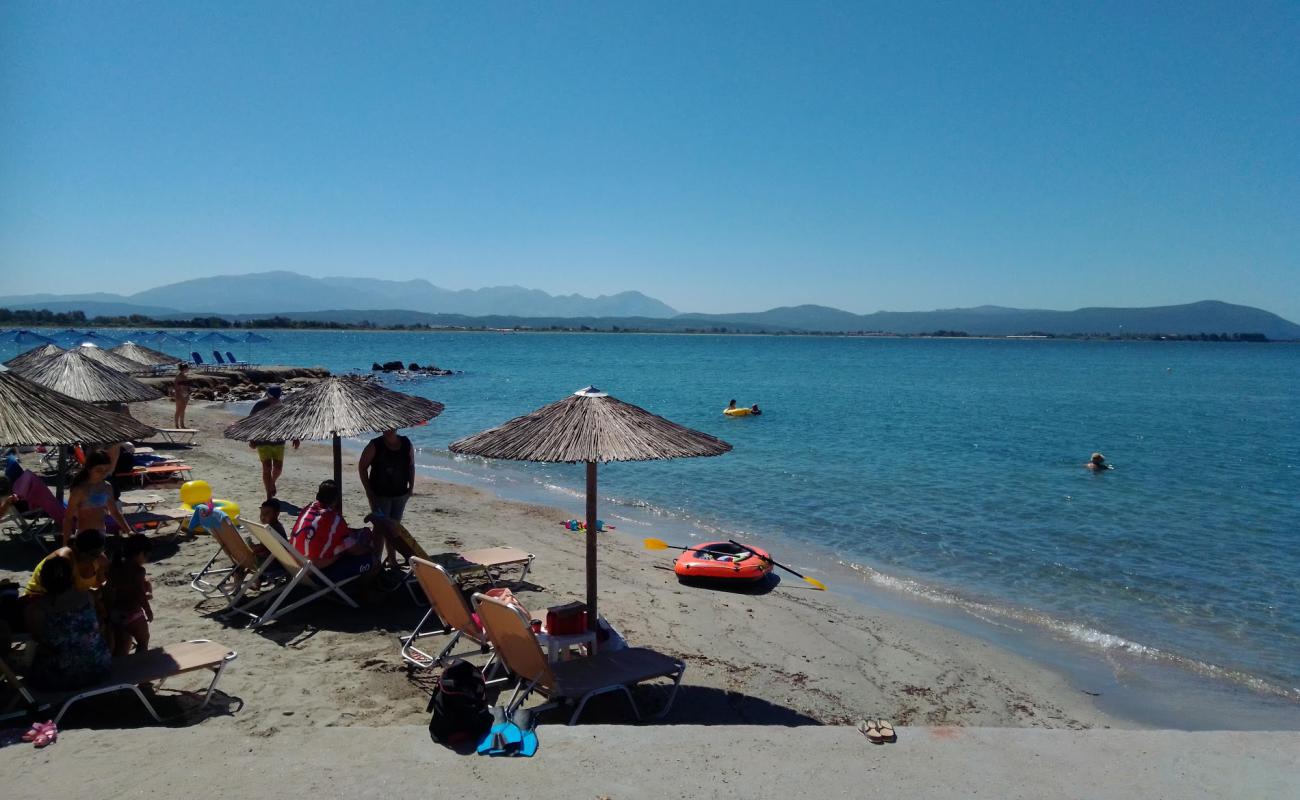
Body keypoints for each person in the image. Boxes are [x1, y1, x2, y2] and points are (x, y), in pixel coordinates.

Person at [23, 555, 111, 691]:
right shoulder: (87, 597)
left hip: (62, 676)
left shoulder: (37, 609)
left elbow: (39, 640)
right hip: (98, 667)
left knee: (31, 661)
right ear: (71, 577)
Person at [290, 480, 399, 579]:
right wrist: (369, 550)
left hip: (293, 563)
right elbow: (355, 550)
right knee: (372, 561)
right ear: (335, 500)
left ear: (318, 495)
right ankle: (365, 595)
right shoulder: (334, 519)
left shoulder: (307, 510)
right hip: (314, 572)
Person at [63, 450, 132, 545]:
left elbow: (115, 512)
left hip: (101, 534)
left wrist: (129, 531)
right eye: (99, 470)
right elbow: (68, 519)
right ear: (89, 469)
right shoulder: (80, 490)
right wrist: (65, 544)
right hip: (84, 536)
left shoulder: (107, 487)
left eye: (106, 470)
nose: (103, 473)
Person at [105, 534, 153, 656]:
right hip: (133, 613)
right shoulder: (138, 571)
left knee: (121, 648)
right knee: (143, 642)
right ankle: (138, 669)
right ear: (141, 553)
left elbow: (110, 589)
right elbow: (139, 593)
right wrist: (148, 610)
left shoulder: (114, 567)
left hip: (116, 613)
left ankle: (122, 671)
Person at [248, 386, 299, 500]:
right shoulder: (260, 405)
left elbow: (290, 423)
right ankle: (268, 495)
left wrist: (295, 437)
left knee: (278, 468)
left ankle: (271, 483)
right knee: (266, 467)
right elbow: (250, 422)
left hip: (279, 441)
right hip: (262, 440)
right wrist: (251, 438)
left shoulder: (283, 407)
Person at [359, 428, 415, 522]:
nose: (388, 430)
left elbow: (411, 466)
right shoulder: (375, 445)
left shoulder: (406, 443)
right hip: (379, 495)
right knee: (382, 528)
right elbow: (362, 467)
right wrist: (368, 490)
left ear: (396, 427)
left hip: (400, 493)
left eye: (391, 428)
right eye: (385, 428)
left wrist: (411, 487)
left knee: (395, 529)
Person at [172, 364, 192, 428]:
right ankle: (177, 424)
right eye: (187, 368)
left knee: (183, 410)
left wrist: (187, 393)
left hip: (185, 395)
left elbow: (187, 386)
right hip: (179, 395)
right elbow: (176, 387)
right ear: (184, 369)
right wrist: (182, 393)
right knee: (178, 410)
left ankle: (182, 424)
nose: (188, 369)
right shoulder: (178, 377)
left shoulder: (185, 376)